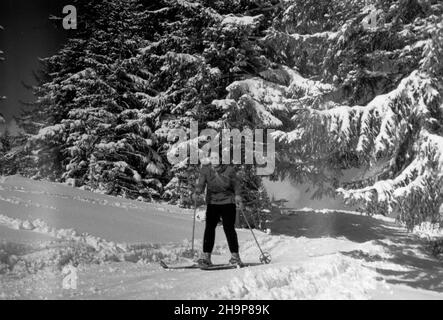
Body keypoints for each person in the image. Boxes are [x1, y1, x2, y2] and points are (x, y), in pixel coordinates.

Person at [193, 157, 244, 267]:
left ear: (221, 161)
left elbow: (236, 184)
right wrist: (197, 191)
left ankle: (235, 257)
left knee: (228, 228)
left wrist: (238, 195)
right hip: (213, 203)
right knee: (209, 228)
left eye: (217, 160)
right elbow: (201, 183)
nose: (215, 164)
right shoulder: (205, 170)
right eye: (213, 161)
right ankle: (206, 257)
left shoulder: (229, 170)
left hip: (228, 202)